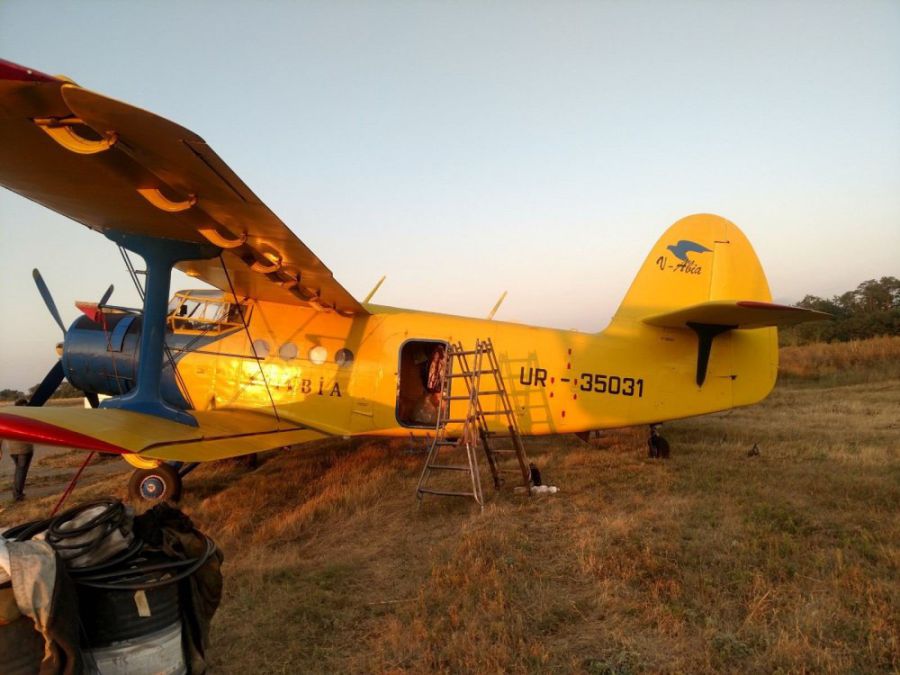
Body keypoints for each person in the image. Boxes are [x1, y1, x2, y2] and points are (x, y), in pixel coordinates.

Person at [2, 399, 35, 501]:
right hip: (24, 450)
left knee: (19, 470)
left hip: (12, 450)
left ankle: (17, 493)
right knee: (21, 471)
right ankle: (17, 495)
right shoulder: (25, 417)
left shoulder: (10, 417)